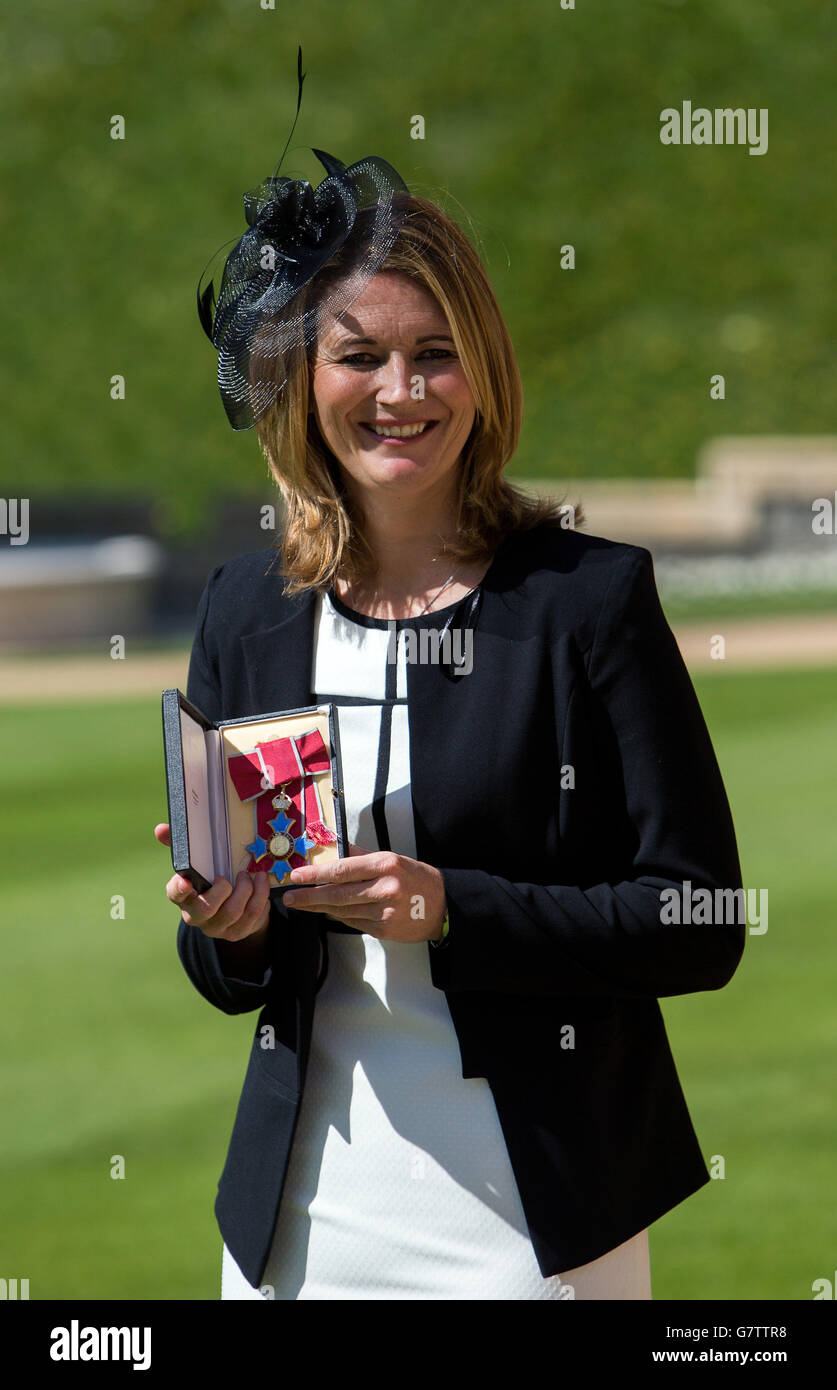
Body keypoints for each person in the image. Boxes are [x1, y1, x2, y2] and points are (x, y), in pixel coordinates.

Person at [155, 129, 744, 1301]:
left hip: (536, 1217)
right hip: (301, 1214)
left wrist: (450, 907)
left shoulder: (589, 601)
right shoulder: (243, 609)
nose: (401, 392)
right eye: (359, 355)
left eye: (436, 354)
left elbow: (700, 917)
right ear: (302, 377)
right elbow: (230, 972)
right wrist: (231, 927)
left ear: (485, 370)